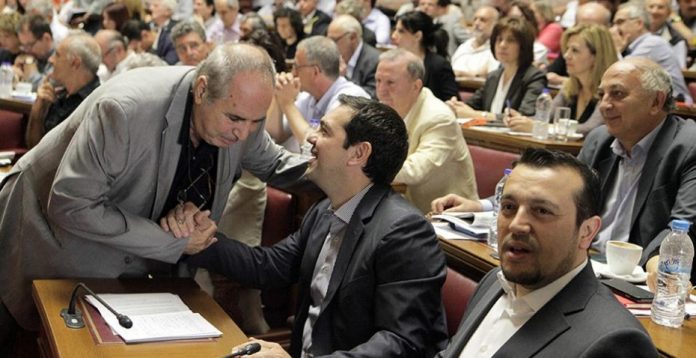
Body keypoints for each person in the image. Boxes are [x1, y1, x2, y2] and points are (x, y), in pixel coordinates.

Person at [0, 43, 308, 346]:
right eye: (235, 119)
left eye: (256, 122)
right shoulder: (125, 109)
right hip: (44, 239)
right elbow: (71, 204)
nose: (244, 133)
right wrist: (174, 242)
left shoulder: (240, 111)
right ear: (201, 90)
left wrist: (344, 172)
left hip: (132, 269)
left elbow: (280, 165)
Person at [184, 95, 449, 357]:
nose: (310, 137)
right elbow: (268, 267)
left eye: (324, 130)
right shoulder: (324, 210)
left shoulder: (404, 231)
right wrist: (200, 238)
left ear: (359, 153)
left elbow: (401, 343)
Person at [436, 148, 657, 358]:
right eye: (509, 207)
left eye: (542, 211)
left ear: (587, 232)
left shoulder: (616, 342)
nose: (517, 225)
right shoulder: (492, 282)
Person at [376, 49, 478, 213]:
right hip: (403, 209)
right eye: (378, 80)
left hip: (447, 216)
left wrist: (366, 167)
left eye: (390, 83)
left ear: (416, 86)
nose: (381, 90)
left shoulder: (438, 118)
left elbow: (416, 170)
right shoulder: (385, 109)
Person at [503, 24, 618, 135]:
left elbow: (590, 130)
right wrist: (519, 120)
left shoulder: (609, 93)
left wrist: (537, 126)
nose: (566, 56)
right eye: (567, 49)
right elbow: (545, 118)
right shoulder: (569, 88)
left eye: (575, 50)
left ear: (596, 56)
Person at [265, 36, 370, 153]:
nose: (293, 72)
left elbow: (316, 147)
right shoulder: (307, 96)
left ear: (315, 71)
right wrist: (278, 95)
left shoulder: (349, 98)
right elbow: (275, 136)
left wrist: (287, 104)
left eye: (296, 66)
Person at [447, 16, 546, 122]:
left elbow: (523, 117)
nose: (502, 45)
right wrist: (456, 106)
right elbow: (471, 106)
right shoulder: (494, 76)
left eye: (511, 40)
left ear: (523, 46)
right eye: (499, 39)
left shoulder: (534, 77)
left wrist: (479, 115)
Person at [25, 33, 101, 148]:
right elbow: (33, 148)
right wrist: (37, 114)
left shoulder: (94, 103)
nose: (51, 60)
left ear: (75, 63)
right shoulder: (58, 95)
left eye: (57, 55)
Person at [611, 2, 692, 103]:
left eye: (620, 22)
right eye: (613, 24)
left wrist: (616, 50)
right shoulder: (634, 46)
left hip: (676, 107)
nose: (614, 29)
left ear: (639, 24)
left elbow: (622, 75)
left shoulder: (652, 43)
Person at [392, 11, 459, 101]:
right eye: (395, 29)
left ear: (418, 36)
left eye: (401, 31)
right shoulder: (392, 62)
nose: (393, 35)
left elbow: (452, 102)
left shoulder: (439, 65)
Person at [328, 14, 380, 98]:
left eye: (334, 40)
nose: (331, 46)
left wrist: (342, 79)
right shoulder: (333, 57)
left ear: (353, 37)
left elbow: (370, 97)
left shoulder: (375, 62)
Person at [450, 5, 500, 79]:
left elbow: (492, 77)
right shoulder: (464, 47)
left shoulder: (497, 49)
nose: (476, 23)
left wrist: (461, 73)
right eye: (475, 19)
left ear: (495, 25)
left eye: (482, 20)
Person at [15, 14, 54, 91]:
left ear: (46, 38)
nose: (26, 51)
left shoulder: (61, 57)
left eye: (29, 45)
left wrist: (29, 66)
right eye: (23, 46)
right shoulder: (35, 56)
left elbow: (46, 87)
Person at [646, 0, 688, 69]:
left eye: (660, 7)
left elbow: (681, 70)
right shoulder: (632, 32)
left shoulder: (676, 40)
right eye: (651, 7)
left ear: (668, 13)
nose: (654, 11)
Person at [148, 0, 179, 64]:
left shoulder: (174, 30)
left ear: (167, 11)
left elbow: (170, 61)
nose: (150, 8)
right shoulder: (159, 28)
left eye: (155, 6)